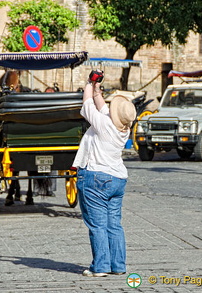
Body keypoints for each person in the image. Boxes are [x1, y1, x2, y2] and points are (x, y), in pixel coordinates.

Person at [72, 77, 136, 277]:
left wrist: (88, 84)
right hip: (117, 179)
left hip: (97, 178)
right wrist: (98, 89)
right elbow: (102, 108)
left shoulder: (104, 125)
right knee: (114, 225)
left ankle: (100, 267)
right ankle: (118, 265)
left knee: (97, 225)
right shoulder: (122, 128)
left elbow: (87, 104)